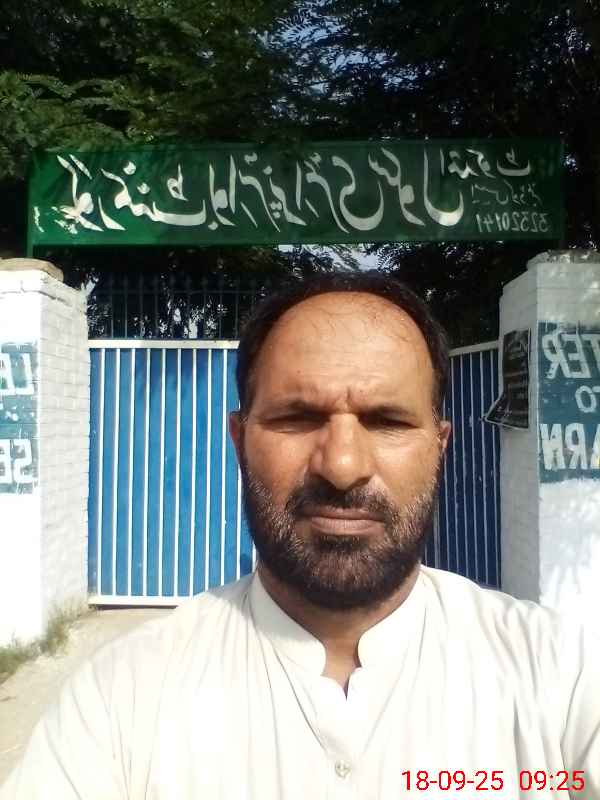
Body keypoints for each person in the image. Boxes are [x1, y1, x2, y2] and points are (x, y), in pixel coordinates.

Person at [1, 271, 598, 800]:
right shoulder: (121, 698)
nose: (342, 465)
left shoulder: (558, 676)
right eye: (297, 418)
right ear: (240, 441)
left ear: (439, 447)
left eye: (387, 421)